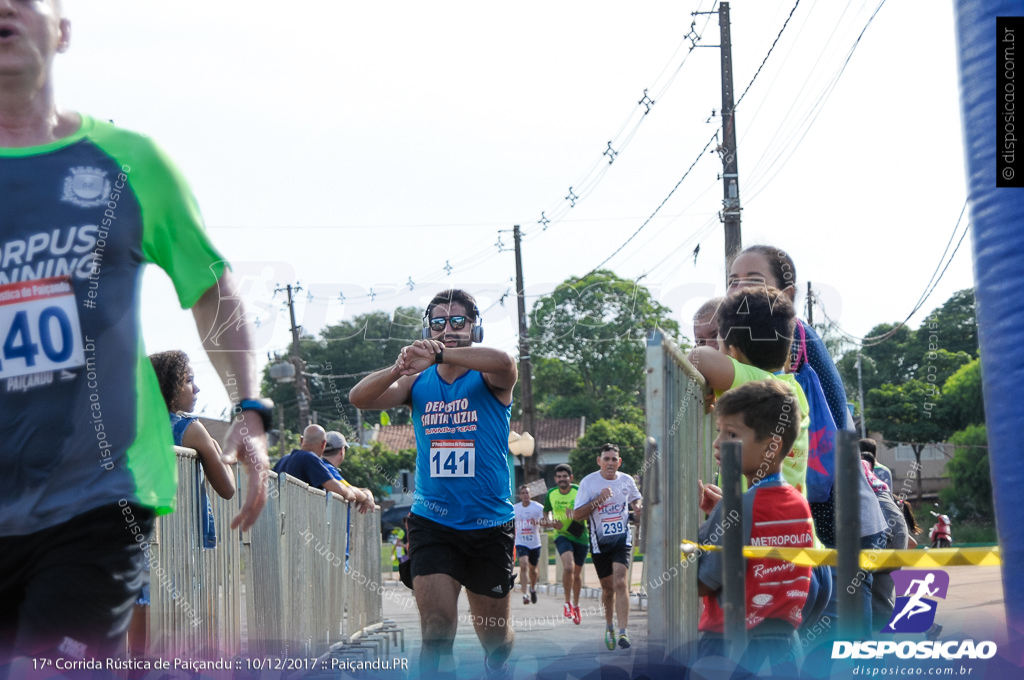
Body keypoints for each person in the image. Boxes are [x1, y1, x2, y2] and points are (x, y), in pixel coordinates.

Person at [0, 0, 269, 666]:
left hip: (95, 500)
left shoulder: (130, 162)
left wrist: (251, 409)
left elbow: (212, 290)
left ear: (62, 29)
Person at [349, 289, 518, 679]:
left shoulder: (489, 376)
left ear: (474, 328)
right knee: (437, 630)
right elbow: (359, 398)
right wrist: (400, 368)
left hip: (489, 524)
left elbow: (505, 361)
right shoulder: (418, 383)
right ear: (428, 327)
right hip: (433, 522)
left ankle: (498, 664)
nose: (448, 329)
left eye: (458, 322)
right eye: (439, 323)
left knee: (495, 638)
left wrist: (440, 352)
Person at [696, 380, 813, 678]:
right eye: (719, 431)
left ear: (772, 446)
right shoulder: (800, 503)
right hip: (784, 646)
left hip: (728, 647)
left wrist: (702, 531)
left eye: (731, 434)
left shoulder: (737, 508)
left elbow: (704, 583)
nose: (717, 442)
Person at [129, 350, 238, 655]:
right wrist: (218, 451)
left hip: (137, 538)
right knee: (183, 634)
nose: (197, 388)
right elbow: (227, 489)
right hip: (182, 545)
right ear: (170, 386)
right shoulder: (187, 428)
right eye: (189, 380)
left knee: (139, 636)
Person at [572, 444, 642, 651]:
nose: (610, 463)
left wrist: (638, 505)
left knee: (621, 582)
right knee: (608, 588)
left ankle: (623, 632)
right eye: (606, 459)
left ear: (619, 462)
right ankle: (609, 626)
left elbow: (637, 499)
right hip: (599, 543)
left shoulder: (626, 480)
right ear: (599, 461)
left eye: (614, 459)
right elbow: (577, 515)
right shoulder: (588, 483)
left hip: (622, 540)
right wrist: (599, 499)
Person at [274, 425, 375, 513]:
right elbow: (338, 489)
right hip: (299, 524)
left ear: (301, 440)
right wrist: (351, 494)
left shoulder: (282, 460)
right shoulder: (310, 458)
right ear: (324, 444)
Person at [541, 463, 587, 625]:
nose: (562, 479)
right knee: (569, 567)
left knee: (577, 574)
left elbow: (588, 510)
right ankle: (567, 603)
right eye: (559, 477)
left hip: (580, 534)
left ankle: (576, 605)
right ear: (555, 479)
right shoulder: (551, 494)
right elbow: (545, 512)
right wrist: (551, 522)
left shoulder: (579, 491)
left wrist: (577, 515)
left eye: (565, 476)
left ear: (571, 478)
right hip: (561, 535)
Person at [321, 431, 377, 512]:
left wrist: (366, 492)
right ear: (342, 451)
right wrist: (366, 496)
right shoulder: (327, 468)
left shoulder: (322, 465)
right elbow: (348, 489)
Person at [513, 486, 544, 605]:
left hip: (534, 542)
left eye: (527, 493)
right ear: (519, 496)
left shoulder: (538, 507)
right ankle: (525, 594)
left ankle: (533, 588)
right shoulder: (515, 508)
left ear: (530, 495)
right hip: (521, 541)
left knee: (533, 570)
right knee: (524, 564)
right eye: (522, 493)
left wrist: (538, 522)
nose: (525, 495)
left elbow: (547, 521)